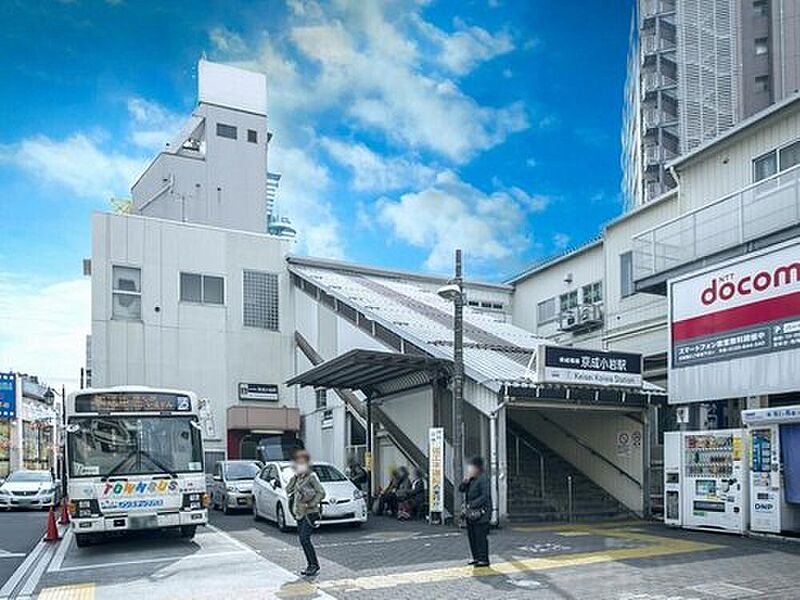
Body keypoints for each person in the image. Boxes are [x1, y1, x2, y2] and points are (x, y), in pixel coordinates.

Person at [285, 450, 326, 577]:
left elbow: (321, 492)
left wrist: (312, 503)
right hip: (299, 513)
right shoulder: (297, 478)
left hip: (310, 512)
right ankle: (311, 564)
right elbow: (288, 490)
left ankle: (313, 565)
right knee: (303, 540)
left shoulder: (311, 477)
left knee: (304, 538)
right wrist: (294, 478)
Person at [459, 456, 491, 568]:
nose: (469, 469)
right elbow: (461, 489)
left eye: (471, 467)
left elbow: (485, 496)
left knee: (480, 537)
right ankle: (476, 557)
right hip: (471, 514)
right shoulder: (471, 479)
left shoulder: (483, 478)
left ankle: (484, 559)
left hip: (481, 513)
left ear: (478, 467)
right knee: (472, 536)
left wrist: (470, 505)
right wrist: (465, 481)